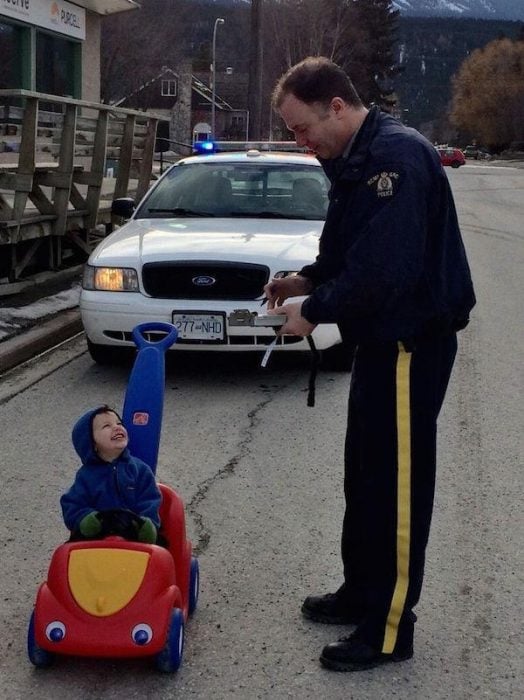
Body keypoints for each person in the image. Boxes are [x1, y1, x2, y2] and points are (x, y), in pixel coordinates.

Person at [265, 56, 476, 672]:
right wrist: (308, 277)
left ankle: (388, 629)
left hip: (412, 341)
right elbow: (348, 245)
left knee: (399, 488)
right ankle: (361, 589)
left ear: (336, 106)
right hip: (381, 342)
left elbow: (386, 268)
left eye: (302, 128)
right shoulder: (350, 158)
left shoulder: (398, 159)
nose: (300, 143)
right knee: (366, 474)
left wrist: (318, 308)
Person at [61, 405, 161, 544]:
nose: (116, 427)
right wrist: (85, 518)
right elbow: (72, 503)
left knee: (160, 554)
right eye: (106, 426)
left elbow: (149, 500)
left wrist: (147, 524)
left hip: (135, 539)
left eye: (119, 423)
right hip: (96, 541)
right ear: (92, 443)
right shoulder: (86, 476)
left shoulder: (140, 470)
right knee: (65, 554)